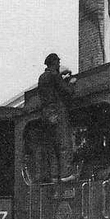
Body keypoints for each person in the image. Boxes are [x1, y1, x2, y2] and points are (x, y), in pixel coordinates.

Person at [38, 53, 77, 182]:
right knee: (64, 142)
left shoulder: (42, 77)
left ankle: (54, 176)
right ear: (54, 63)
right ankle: (66, 174)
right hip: (57, 111)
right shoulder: (54, 75)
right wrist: (71, 83)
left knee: (52, 146)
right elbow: (66, 91)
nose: (59, 64)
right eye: (58, 62)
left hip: (45, 113)